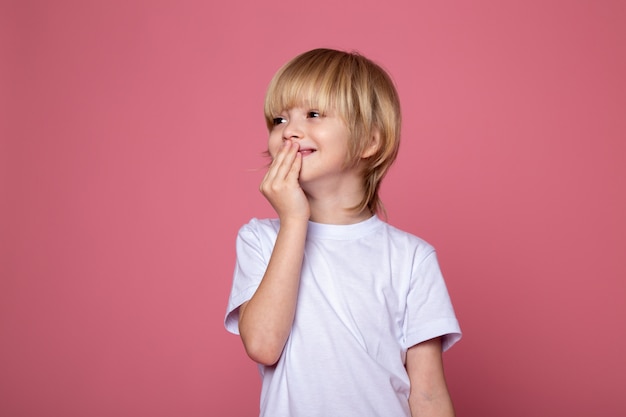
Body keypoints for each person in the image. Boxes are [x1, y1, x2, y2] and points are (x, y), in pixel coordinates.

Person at [224, 48, 461, 417]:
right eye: (278, 119)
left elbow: (428, 394)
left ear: (369, 142)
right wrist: (293, 220)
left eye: (313, 114)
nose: (290, 131)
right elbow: (263, 345)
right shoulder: (261, 239)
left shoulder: (411, 258)